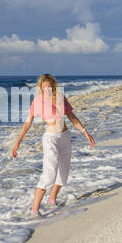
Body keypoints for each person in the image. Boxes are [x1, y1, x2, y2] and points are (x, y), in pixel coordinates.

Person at [12, 74, 95, 217]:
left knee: (63, 176)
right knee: (49, 175)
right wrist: (18, 142)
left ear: (53, 86)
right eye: (44, 87)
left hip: (65, 137)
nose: (47, 89)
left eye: (49, 86)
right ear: (40, 87)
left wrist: (85, 133)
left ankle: (52, 200)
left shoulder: (61, 98)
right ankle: (34, 210)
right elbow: (27, 123)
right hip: (50, 138)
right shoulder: (38, 101)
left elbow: (72, 117)